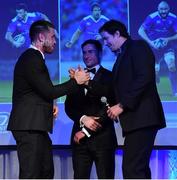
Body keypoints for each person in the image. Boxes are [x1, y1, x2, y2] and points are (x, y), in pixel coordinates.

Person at [7, 20, 89, 179]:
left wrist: (51, 103)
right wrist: (75, 81)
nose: (55, 41)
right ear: (41, 37)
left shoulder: (35, 58)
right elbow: (48, 91)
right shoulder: (31, 58)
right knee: (31, 174)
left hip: (35, 126)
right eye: (52, 37)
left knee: (45, 172)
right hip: (29, 126)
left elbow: (41, 91)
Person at [98, 20, 166, 179]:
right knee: (138, 169)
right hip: (135, 121)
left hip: (143, 118)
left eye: (106, 38)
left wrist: (121, 105)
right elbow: (114, 90)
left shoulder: (138, 47)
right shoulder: (121, 56)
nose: (105, 43)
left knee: (132, 169)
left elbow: (145, 78)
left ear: (117, 34)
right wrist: (87, 83)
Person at [65, 39, 117, 179]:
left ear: (100, 53)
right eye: (84, 53)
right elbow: (69, 107)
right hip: (80, 142)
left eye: (90, 52)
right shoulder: (76, 78)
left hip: (103, 140)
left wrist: (86, 131)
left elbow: (110, 108)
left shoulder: (110, 77)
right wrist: (82, 118)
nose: (86, 56)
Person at [138, 1, 177, 97]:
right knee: (154, 71)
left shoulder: (174, 18)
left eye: (165, 9)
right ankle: (154, 85)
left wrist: (168, 39)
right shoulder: (152, 17)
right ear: (158, 9)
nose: (163, 11)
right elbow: (140, 30)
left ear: (169, 9)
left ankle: (175, 91)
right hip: (154, 47)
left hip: (167, 46)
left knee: (171, 66)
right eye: (161, 9)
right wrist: (151, 42)